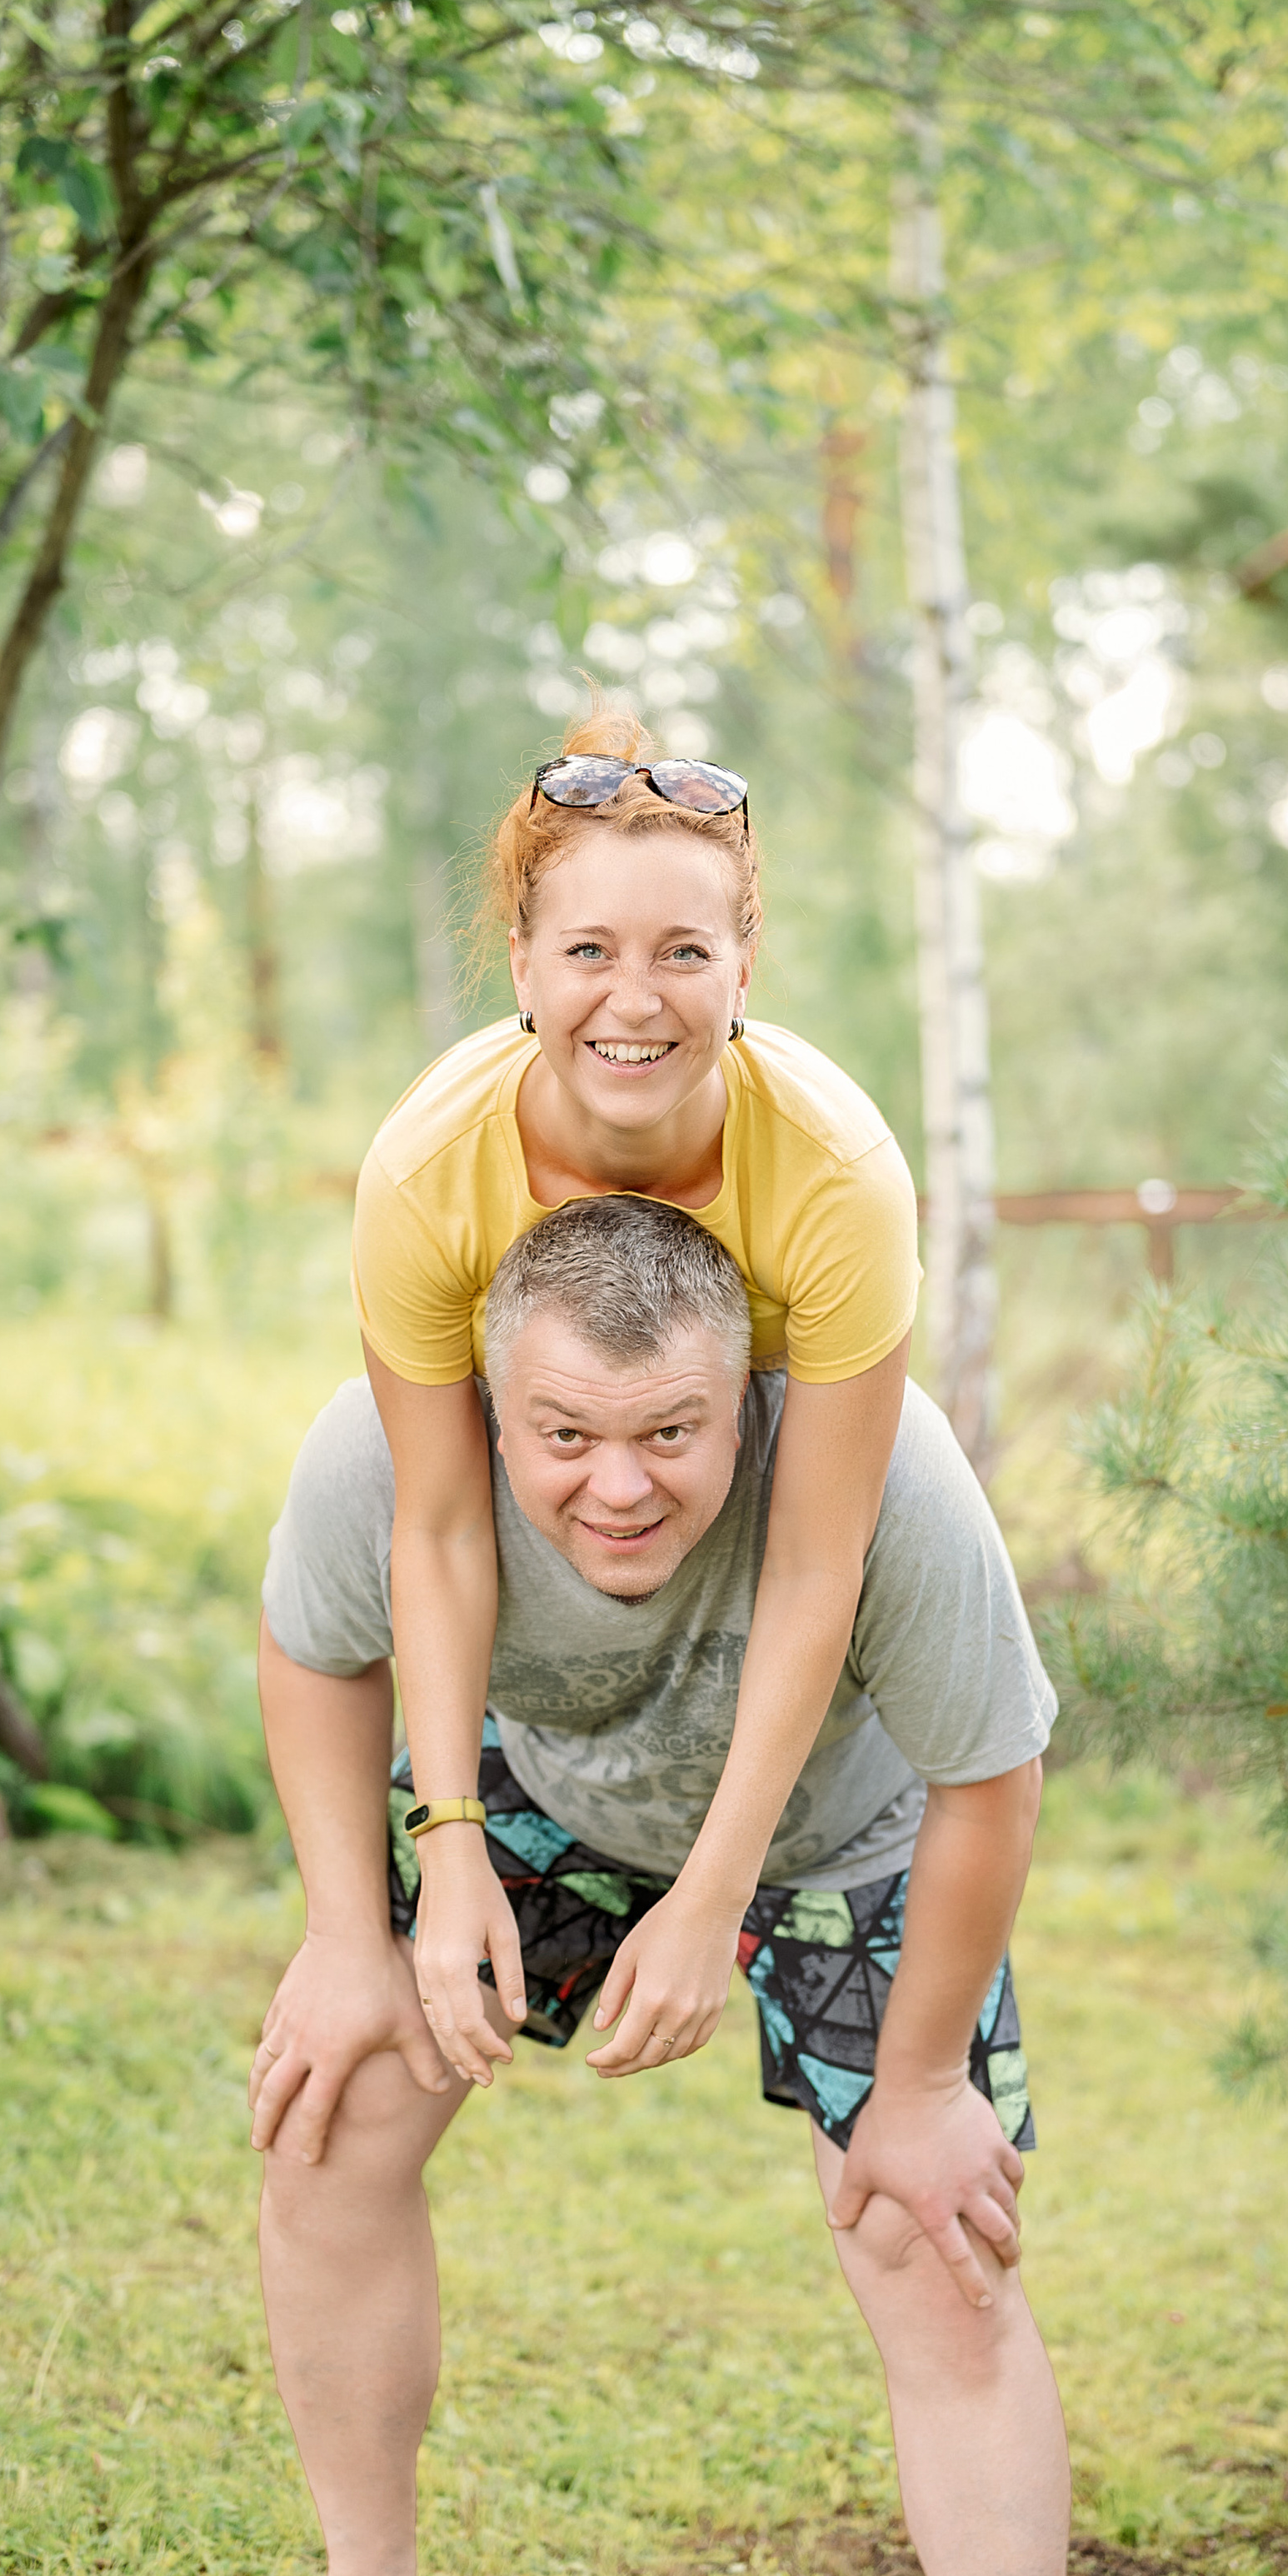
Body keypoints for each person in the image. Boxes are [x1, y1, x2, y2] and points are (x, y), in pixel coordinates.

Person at [205, 1196, 1124, 2576]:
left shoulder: (886, 1475)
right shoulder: (384, 1440)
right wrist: (345, 1929)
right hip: (536, 1802)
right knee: (328, 2117)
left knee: (931, 2253)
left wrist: (921, 2081)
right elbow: (316, 1652)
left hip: (837, 1841)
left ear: (748, 1402)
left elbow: (991, 1777)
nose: (615, 1487)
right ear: (490, 1399)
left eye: (668, 1436)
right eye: (563, 1435)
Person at [350, 705, 921, 2115]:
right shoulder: (428, 1177)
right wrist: (455, 1839)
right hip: (561, 1625)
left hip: (777, 1575)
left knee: (926, 2206)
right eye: (590, 951)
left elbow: (814, 1558)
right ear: (524, 967)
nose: (636, 999)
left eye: (684, 951)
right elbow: (433, 1530)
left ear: (745, 966)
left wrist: (714, 1895)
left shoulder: (838, 1176)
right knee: (357, 2093)